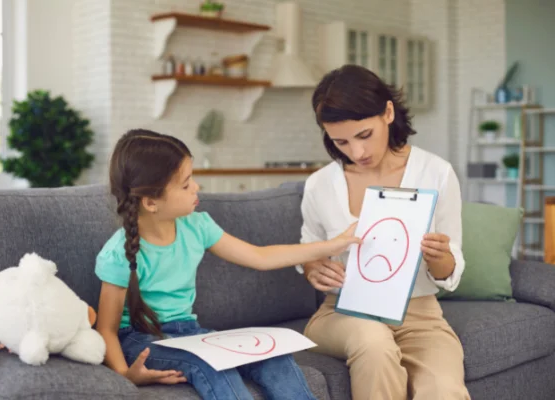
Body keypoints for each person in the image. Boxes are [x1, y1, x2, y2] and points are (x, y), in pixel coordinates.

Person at [94, 129, 361, 400]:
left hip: (189, 332)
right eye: (186, 184)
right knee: (211, 365)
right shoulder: (118, 255)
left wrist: (332, 245)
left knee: (272, 357)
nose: (196, 187)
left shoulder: (197, 226)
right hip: (142, 340)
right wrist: (126, 374)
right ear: (151, 202)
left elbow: (260, 257)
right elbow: (107, 329)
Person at [297, 65, 470, 400]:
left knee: (443, 389)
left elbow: (450, 272)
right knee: (373, 342)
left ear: (388, 112)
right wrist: (313, 268)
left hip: (419, 315)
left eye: (364, 135)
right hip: (342, 312)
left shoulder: (436, 173)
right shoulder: (320, 184)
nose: (357, 152)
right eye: (341, 142)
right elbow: (309, 252)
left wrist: (441, 257)